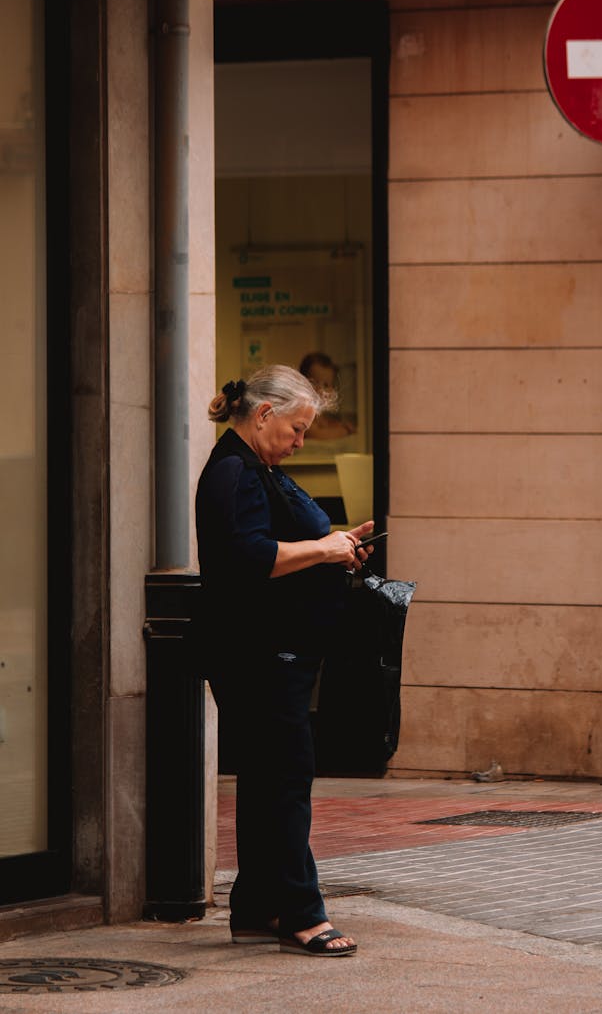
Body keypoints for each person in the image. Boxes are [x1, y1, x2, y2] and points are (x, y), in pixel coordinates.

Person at [195, 365, 373, 957]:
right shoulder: (233, 472)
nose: (300, 442)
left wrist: (335, 547)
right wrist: (324, 547)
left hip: (270, 653)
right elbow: (248, 557)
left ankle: (255, 908)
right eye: (295, 429)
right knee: (287, 783)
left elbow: (275, 546)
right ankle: (302, 913)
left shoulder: (254, 469)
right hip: (260, 655)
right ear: (264, 414)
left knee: (269, 782)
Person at [298, 352, 357, 439]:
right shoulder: (300, 410)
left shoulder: (317, 413)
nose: (320, 390)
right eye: (314, 383)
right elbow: (317, 434)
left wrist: (340, 425)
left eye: (326, 385)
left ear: (332, 390)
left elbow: (324, 423)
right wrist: (345, 430)